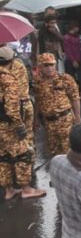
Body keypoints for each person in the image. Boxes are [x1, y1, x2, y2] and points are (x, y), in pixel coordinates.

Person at [0, 46, 45, 200]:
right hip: (10, 121)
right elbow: (12, 107)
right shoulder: (8, 77)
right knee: (24, 153)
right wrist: (19, 124)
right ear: (11, 59)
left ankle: (8, 189)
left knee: (3, 155)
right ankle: (26, 188)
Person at [34, 53, 81, 156]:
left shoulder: (65, 78)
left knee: (68, 152)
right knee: (54, 153)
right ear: (40, 67)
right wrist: (36, 118)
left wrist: (78, 117)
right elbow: (38, 100)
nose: (49, 68)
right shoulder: (38, 82)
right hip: (49, 122)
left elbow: (75, 98)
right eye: (45, 65)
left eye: (51, 65)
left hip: (65, 119)